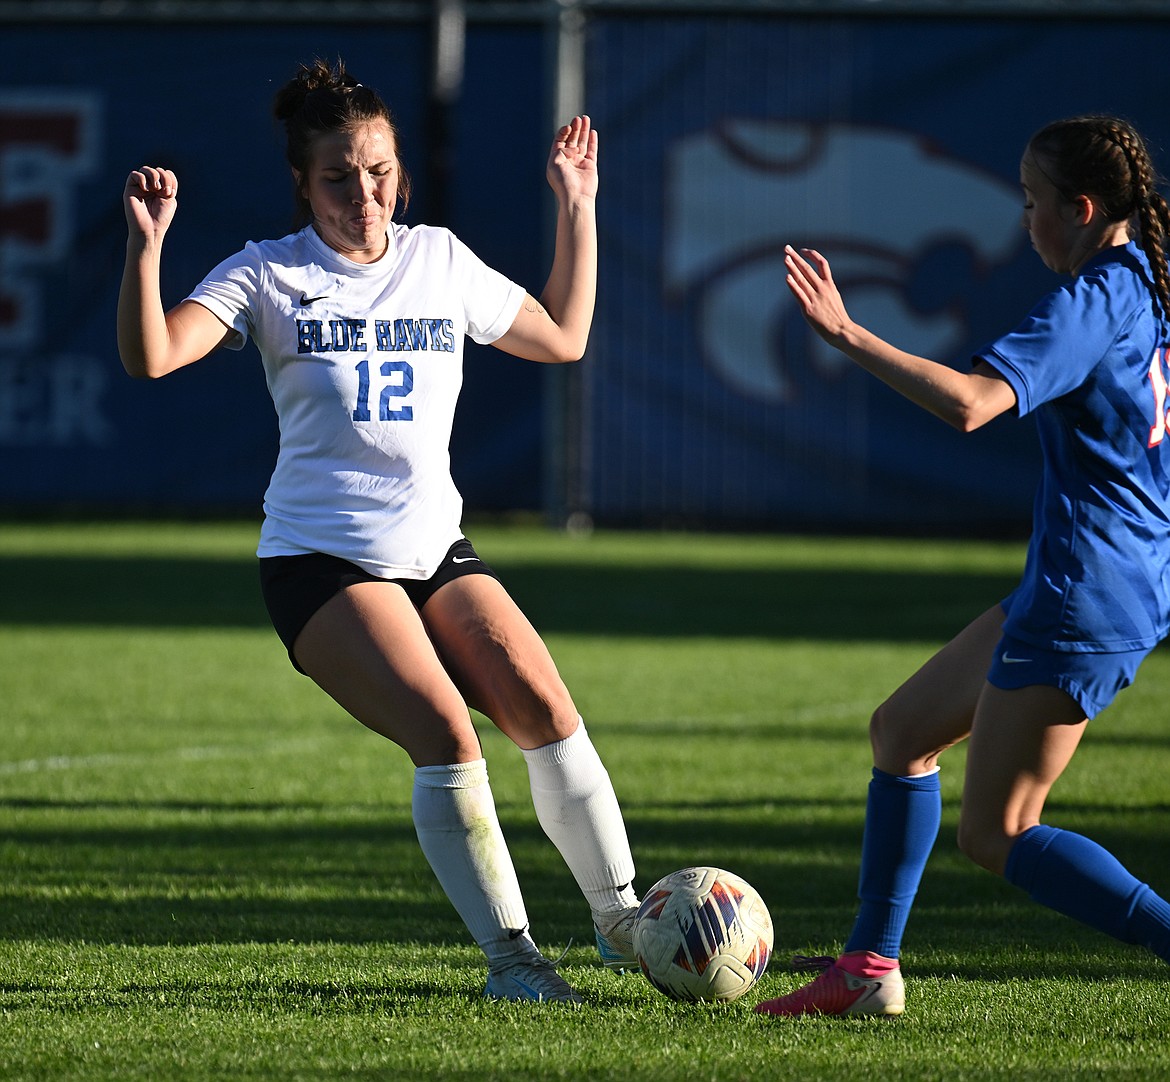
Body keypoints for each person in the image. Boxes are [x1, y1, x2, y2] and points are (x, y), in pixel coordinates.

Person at [117, 58, 640, 1005]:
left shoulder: (437, 258)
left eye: (380, 172)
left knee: (548, 714)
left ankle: (625, 924)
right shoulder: (267, 273)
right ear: (301, 183)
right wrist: (147, 247)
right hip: (320, 562)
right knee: (449, 734)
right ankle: (514, 965)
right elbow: (151, 357)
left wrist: (578, 203)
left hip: (435, 548)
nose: (365, 194)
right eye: (338, 177)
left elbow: (563, 334)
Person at [755, 114, 1170, 1018]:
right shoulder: (1151, 285)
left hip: (1085, 592)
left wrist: (850, 337)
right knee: (901, 733)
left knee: (999, 831)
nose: (1024, 219)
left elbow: (977, 404)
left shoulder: (1096, 296)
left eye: (1032, 201)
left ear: (1083, 208)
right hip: (1103, 579)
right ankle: (868, 969)